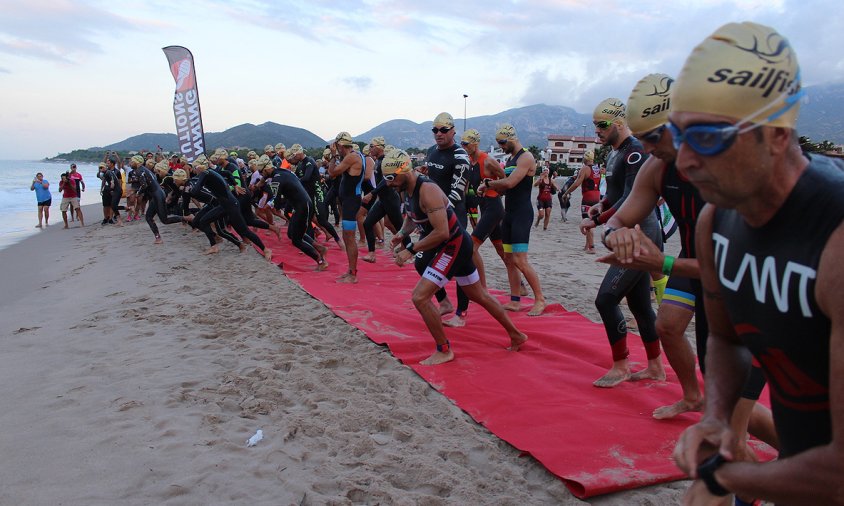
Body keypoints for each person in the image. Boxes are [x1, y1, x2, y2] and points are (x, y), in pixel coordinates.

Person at [668, 22, 844, 506]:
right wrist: (719, 417)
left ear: (776, 135)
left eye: (706, 137)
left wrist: (724, 479)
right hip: (804, 463)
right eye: (676, 134)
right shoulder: (715, 222)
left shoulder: (835, 241)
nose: (683, 160)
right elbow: (726, 337)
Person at [385, 149, 527, 365]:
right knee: (479, 295)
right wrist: (401, 235)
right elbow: (413, 217)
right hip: (454, 244)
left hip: (453, 245)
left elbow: (441, 232)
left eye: (390, 177)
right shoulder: (406, 187)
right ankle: (516, 334)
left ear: (403, 171)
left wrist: (410, 249)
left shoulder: (428, 190)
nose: (388, 183)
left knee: (420, 297)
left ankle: (444, 350)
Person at [580, 98, 664, 388]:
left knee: (606, 299)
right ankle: (655, 366)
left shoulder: (635, 153)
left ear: (618, 123)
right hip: (626, 233)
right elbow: (614, 194)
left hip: (640, 234)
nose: (597, 131)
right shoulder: (614, 154)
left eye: (601, 125)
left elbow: (633, 197)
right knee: (640, 304)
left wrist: (600, 220)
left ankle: (622, 365)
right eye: (594, 125)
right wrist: (599, 206)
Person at [478, 124, 547, 316]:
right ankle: (515, 300)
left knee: (520, 260)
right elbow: (505, 188)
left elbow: (510, 182)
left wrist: (487, 184)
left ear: (512, 139)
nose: (500, 146)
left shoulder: (526, 157)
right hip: (509, 213)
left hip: (522, 214)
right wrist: (488, 187)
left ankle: (540, 299)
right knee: (509, 259)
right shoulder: (510, 159)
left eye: (502, 142)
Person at [444, 129, 508, 327]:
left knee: (470, 248)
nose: (464, 147)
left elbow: (504, 179)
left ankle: (477, 293)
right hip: (484, 207)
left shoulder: (487, 160)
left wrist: (490, 185)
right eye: (462, 143)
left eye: (467, 144)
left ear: (475, 144)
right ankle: (518, 285)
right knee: (501, 250)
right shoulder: (468, 162)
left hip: (494, 208)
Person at [422, 112, 471, 318]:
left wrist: (437, 215)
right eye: (435, 130)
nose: (438, 134)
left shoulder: (460, 155)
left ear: (453, 131)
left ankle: (461, 313)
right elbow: (432, 182)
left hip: (453, 216)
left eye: (443, 130)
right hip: (433, 215)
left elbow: (456, 193)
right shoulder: (432, 151)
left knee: (461, 268)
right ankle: (444, 302)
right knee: (421, 261)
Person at [260, 156, 328, 270]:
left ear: (266, 170)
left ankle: (321, 261)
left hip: (303, 206)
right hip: (301, 204)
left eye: (262, 172)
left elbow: (276, 198)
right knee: (292, 234)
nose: (262, 175)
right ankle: (319, 248)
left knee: (296, 240)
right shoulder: (284, 171)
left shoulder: (276, 179)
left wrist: (275, 207)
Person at [328, 132, 372, 283]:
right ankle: (350, 271)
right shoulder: (353, 155)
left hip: (351, 202)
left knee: (350, 238)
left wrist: (333, 156)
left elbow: (332, 173)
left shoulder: (352, 157)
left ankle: (353, 274)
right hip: (349, 200)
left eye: (336, 146)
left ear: (340, 145)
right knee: (347, 238)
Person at [361, 137, 403, 264]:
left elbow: (387, 180)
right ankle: (371, 254)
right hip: (383, 200)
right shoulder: (377, 161)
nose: (370, 148)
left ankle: (408, 252)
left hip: (390, 199)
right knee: (367, 223)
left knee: (401, 228)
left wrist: (372, 193)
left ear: (379, 147)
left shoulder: (385, 161)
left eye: (372, 146)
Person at [561, 150, 601, 252]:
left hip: (588, 197)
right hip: (597, 197)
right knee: (591, 221)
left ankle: (591, 247)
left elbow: (576, 183)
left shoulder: (585, 169)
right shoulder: (597, 169)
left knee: (587, 222)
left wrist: (566, 193)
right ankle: (587, 245)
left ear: (585, 159)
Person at [136, 160, 184, 244]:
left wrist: (138, 193)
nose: (157, 173)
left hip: (159, 196)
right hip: (157, 196)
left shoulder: (166, 177)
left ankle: (187, 219)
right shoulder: (149, 172)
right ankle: (158, 238)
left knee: (165, 220)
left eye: (157, 172)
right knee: (149, 217)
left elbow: (144, 185)